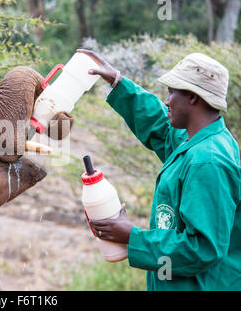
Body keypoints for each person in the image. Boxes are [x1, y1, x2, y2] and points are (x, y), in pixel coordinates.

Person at [77, 49, 240, 291]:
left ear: (193, 98)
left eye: (172, 92)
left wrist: (132, 237)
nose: (166, 101)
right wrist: (118, 82)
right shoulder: (198, 141)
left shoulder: (208, 162)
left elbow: (203, 249)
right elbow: (162, 129)